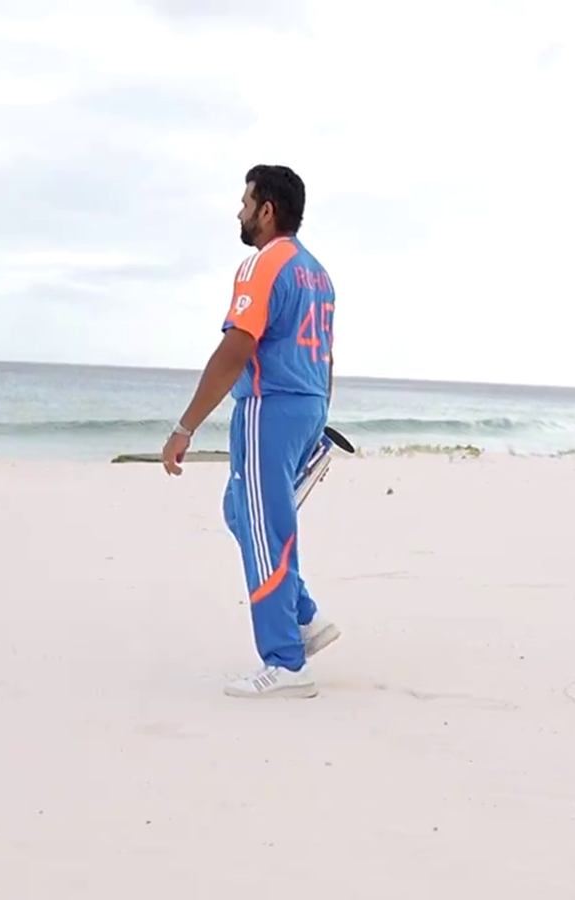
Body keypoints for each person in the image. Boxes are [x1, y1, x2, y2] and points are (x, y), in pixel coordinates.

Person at [160, 164, 340, 699]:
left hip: (270, 407)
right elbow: (328, 354)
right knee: (243, 511)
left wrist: (184, 426)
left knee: (265, 531)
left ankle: (286, 662)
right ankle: (303, 615)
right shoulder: (319, 274)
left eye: (246, 202)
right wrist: (317, 415)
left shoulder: (262, 265)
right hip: (307, 403)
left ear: (268, 210)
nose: (239, 211)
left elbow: (237, 348)